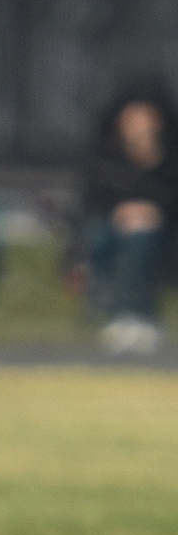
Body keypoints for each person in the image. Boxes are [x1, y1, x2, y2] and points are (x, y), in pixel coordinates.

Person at [71, 82, 178, 354]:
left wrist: (151, 208)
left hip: (161, 235)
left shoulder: (169, 160)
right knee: (108, 236)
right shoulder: (105, 156)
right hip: (109, 229)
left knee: (140, 237)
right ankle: (119, 314)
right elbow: (90, 201)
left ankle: (140, 315)